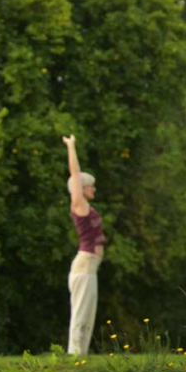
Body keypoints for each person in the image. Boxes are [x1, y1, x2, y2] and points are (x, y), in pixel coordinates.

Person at [63, 134, 106, 356]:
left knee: (88, 313)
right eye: (92, 187)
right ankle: (74, 355)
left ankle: (81, 355)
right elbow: (74, 173)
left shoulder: (87, 207)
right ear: (83, 187)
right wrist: (71, 146)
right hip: (84, 265)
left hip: (91, 266)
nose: (94, 190)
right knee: (80, 312)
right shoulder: (79, 205)